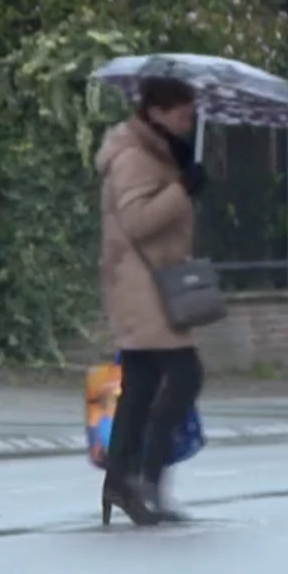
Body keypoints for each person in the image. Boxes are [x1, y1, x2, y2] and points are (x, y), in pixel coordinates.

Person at [95, 75, 208, 526]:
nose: (189, 122)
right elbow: (139, 220)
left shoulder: (157, 150)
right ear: (157, 112)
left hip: (152, 281)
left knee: (140, 386)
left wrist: (183, 179)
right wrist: (183, 190)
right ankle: (147, 474)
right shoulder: (133, 157)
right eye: (182, 113)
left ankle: (121, 481)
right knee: (184, 374)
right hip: (142, 285)